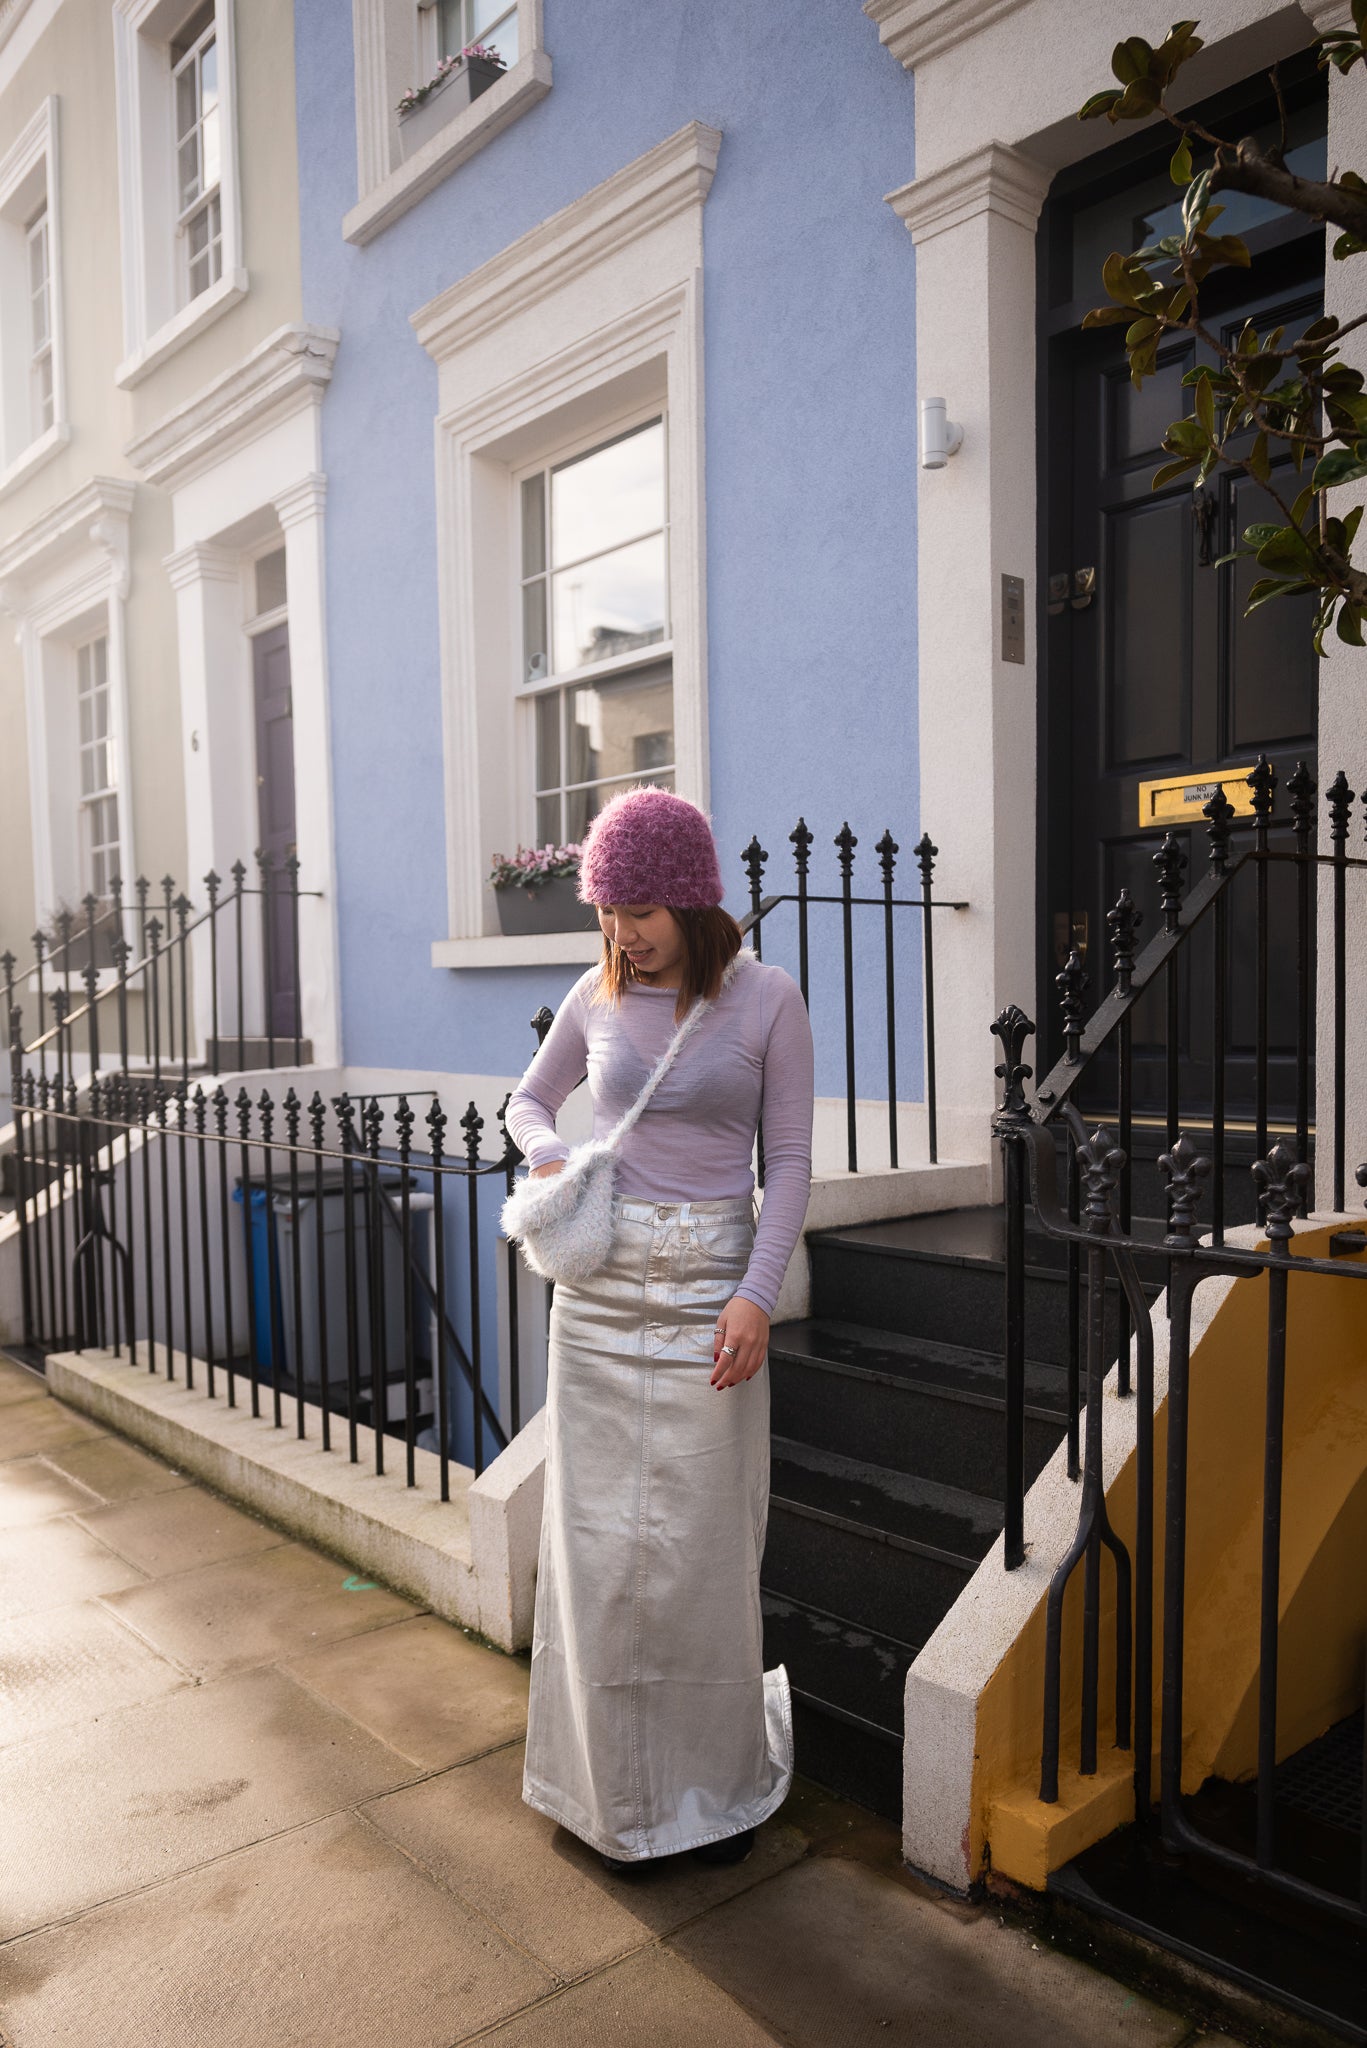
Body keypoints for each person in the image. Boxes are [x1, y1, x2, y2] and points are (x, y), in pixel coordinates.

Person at [504, 785, 815, 1874]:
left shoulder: (769, 1000)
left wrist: (754, 1293)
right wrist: (550, 1155)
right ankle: (597, 1789)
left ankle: (708, 1794)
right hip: (596, 1299)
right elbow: (526, 1103)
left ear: (690, 898)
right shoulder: (594, 992)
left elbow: (787, 1165)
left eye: (639, 908)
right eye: (607, 907)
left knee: (697, 1548)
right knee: (593, 1549)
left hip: (709, 1296)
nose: (621, 930)